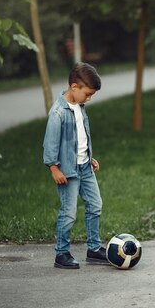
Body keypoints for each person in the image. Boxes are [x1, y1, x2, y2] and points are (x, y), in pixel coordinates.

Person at [43, 62, 108, 269]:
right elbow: (50, 143)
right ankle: (61, 254)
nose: (89, 98)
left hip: (85, 167)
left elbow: (81, 137)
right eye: (87, 94)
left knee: (95, 205)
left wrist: (90, 157)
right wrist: (54, 168)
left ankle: (94, 248)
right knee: (69, 213)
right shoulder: (58, 113)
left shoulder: (80, 106)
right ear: (74, 87)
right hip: (67, 171)